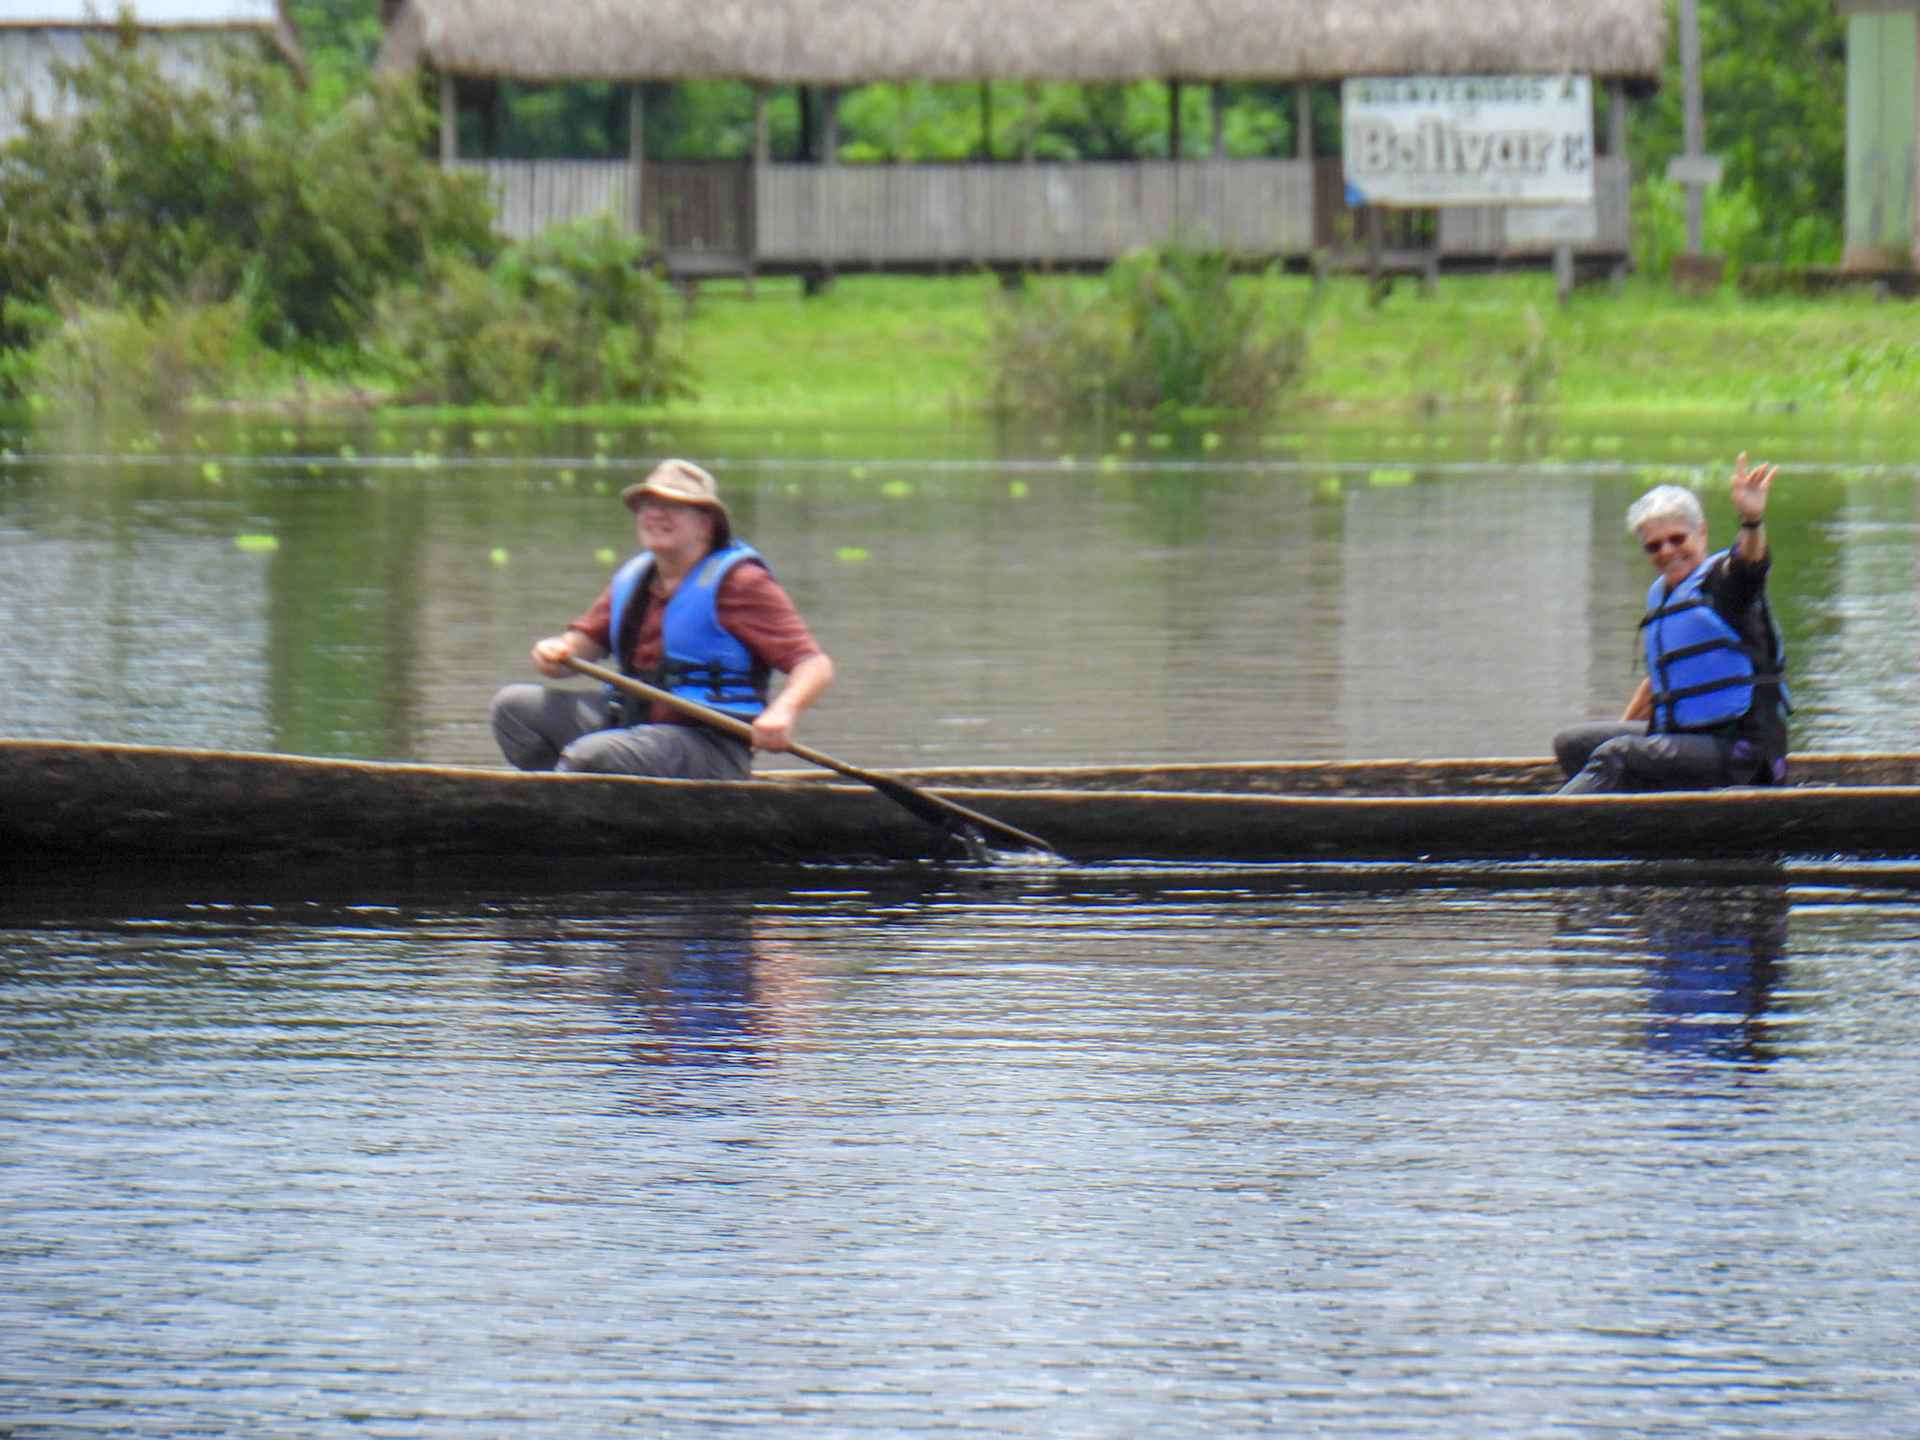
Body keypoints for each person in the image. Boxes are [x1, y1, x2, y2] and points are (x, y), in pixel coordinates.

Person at [490, 459, 834, 779]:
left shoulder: (740, 582)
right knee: (513, 710)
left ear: (706, 524)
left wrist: (783, 712)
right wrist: (555, 653)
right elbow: (576, 652)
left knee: (592, 757)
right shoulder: (637, 577)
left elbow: (814, 666)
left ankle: (572, 802)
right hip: (629, 723)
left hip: (708, 744)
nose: (656, 515)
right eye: (648, 505)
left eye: (672, 506)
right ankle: (575, 804)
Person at [1553, 453, 1788, 794]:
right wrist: (1624, 732)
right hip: (1684, 742)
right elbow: (1661, 682)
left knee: (1615, 755)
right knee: (1574, 744)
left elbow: (1751, 563)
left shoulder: (1725, 584)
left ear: (1702, 533)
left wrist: (1751, 521)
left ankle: (1546, 825)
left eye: (1678, 539)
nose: (1667, 551)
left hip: (1742, 754)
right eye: (1654, 546)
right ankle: (1633, 822)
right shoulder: (1663, 595)